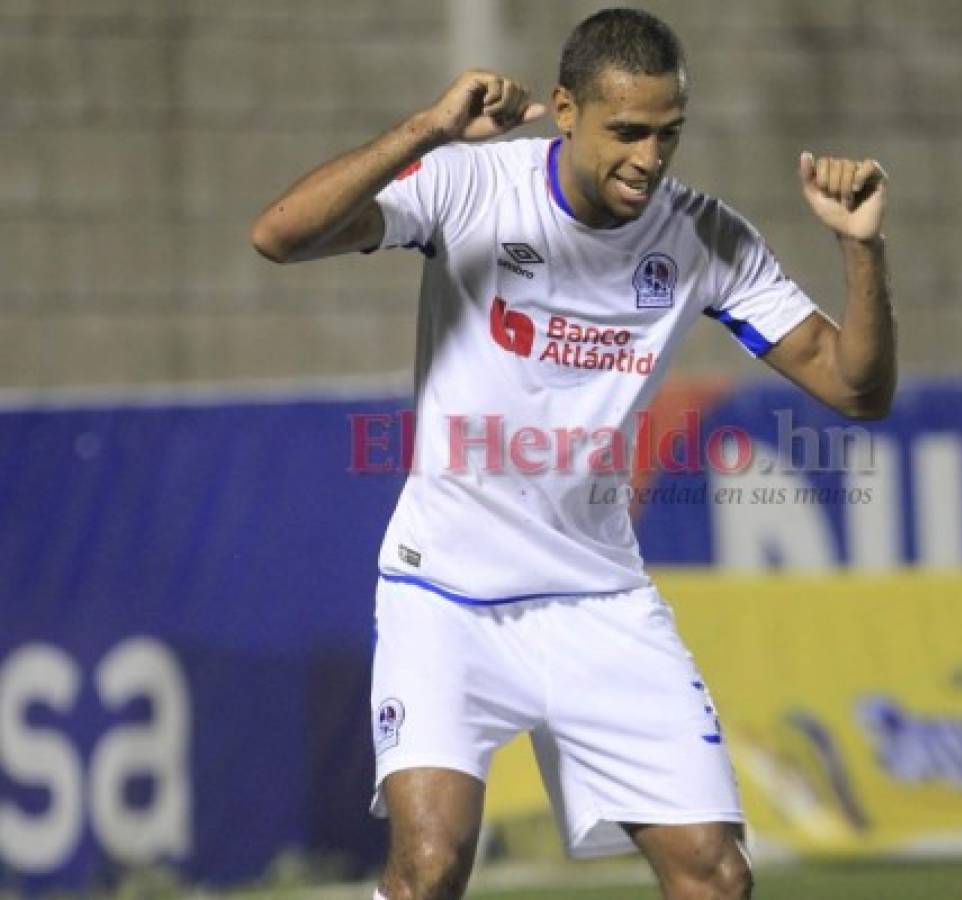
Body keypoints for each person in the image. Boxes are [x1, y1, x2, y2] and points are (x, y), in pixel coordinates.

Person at [251, 7, 894, 899]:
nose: (648, 158)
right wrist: (430, 127)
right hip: (445, 594)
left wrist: (859, 251)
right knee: (429, 868)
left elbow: (856, 389)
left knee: (714, 876)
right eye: (625, 131)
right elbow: (279, 235)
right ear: (563, 108)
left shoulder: (703, 238)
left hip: (598, 599)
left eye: (667, 134)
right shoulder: (469, 187)